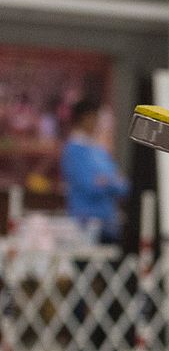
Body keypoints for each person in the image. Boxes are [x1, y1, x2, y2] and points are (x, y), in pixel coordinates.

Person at [60, 98, 127, 245]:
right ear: (84, 118)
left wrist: (106, 182)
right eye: (95, 117)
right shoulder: (73, 150)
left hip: (109, 225)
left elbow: (124, 186)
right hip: (84, 226)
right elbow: (89, 186)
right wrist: (111, 182)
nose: (98, 122)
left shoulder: (100, 150)